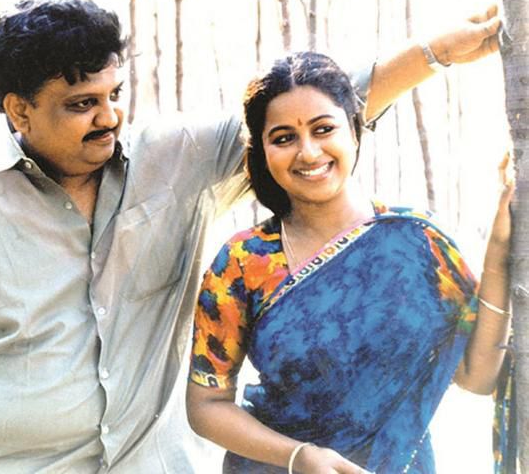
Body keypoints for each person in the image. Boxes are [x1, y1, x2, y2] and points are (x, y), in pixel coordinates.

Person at [0, 0, 502, 474]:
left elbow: (311, 112)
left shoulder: (169, 161)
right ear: (19, 110)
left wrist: (437, 51)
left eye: (115, 94)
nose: (109, 117)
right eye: (82, 103)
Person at [186, 51, 513, 473]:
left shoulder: (417, 242)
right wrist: (297, 455)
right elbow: (206, 404)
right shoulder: (244, 263)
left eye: (323, 129)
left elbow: (477, 375)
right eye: (283, 138)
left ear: (355, 131)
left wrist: (499, 251)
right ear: (263, 150)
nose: (308, 152)